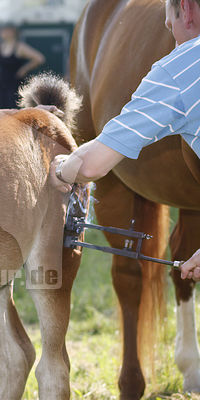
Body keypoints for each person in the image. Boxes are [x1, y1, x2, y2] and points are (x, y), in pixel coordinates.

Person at [49, 0, 200, 281]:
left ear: (186, 8)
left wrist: (60, 168)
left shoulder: (181, 68)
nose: (173, 36)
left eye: (169, 25)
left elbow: (92, 165)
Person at [0, 24, 45, 108]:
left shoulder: (20, 46)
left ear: (12, 32)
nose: (2, 33)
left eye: (5, 30)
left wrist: (24, 69)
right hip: (1, 86)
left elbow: (39, 58)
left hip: (14, 86)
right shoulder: (0, 46)